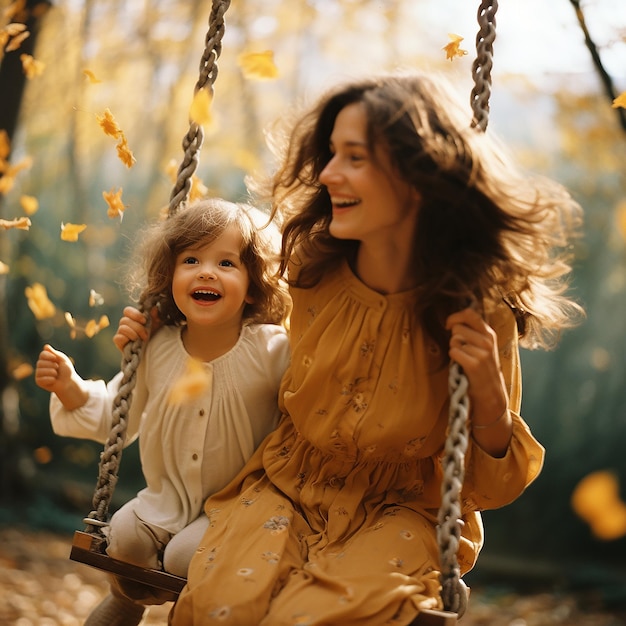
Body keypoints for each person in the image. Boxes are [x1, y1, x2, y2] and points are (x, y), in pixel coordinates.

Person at [164, 71, 584, 626]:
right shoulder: (315, 267)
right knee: (224, 608)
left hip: (402, 508)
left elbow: (486, 486)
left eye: (354, 157)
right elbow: (241, 338)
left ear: (420, 175)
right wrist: (158, 326)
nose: (330, 173)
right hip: (288, 486)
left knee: (307, 618)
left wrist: (488, 392)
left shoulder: (476, 307)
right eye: (331, 153)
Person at [34, 198, 291, 626]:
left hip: (235, 507)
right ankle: (127, 599)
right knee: (125, 539)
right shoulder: (157, 347)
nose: (206, 271)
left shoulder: (271, 349)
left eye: (226, 263)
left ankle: (196, 613)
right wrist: (71, 387)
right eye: (191, 259)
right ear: (170, 275)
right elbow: (117, 419)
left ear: (253, 284)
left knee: (186, 555)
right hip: (164, 500)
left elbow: (310, 395)